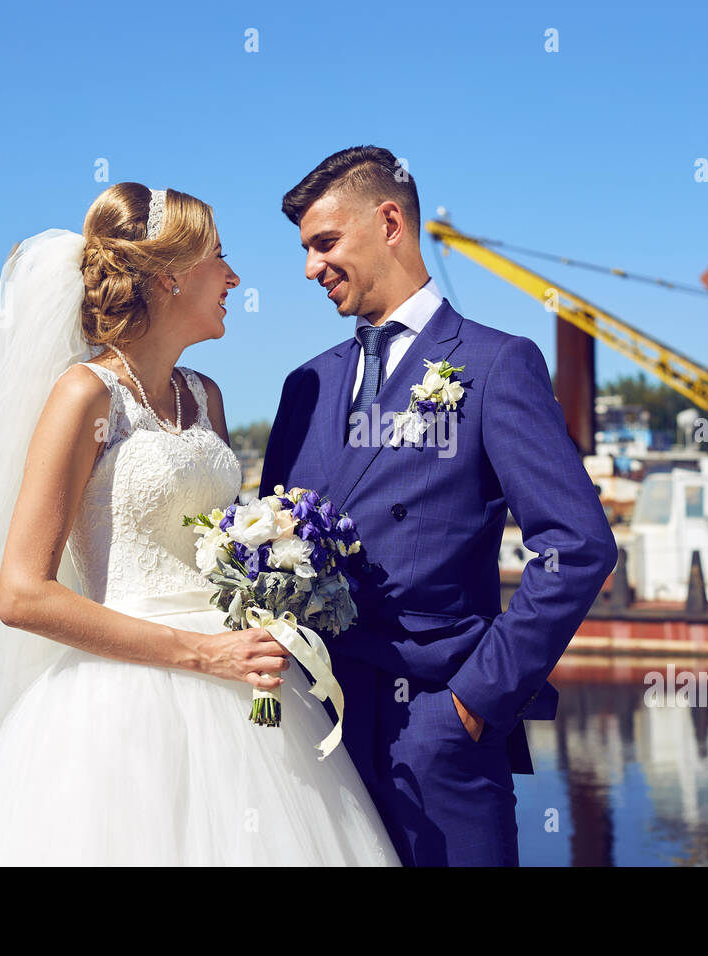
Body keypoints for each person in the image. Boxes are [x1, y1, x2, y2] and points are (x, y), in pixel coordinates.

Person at [0, 182, 399, 866]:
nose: (234, 277)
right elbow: (22, 593)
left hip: (247, 692)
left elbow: (215, 547)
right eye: (219, 257)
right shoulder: (84, 396)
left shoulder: (204, 395)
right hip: (120, 701)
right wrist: (202, 654)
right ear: (169, 277)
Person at [261, 146, 619, 866]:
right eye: (304, 249)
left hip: (437, 735)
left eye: (325, 243)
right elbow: (273, 542)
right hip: (311, 738)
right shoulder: (306, 384)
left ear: (389, 222)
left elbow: (578, 545)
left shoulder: (495, 364)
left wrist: (474, 701)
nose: (309, 268)